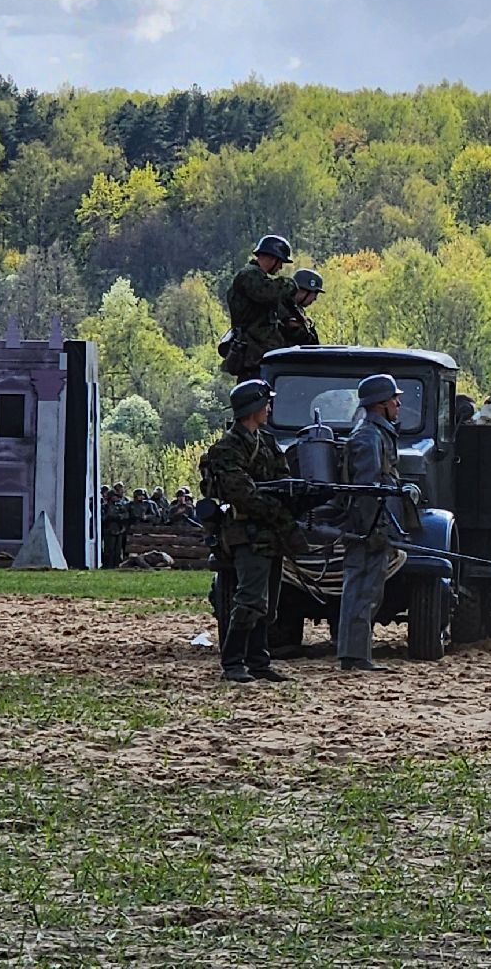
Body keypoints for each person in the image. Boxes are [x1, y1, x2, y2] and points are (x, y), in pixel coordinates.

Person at [200, 379, 300, 683]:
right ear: (253, 408)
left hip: (269, 532)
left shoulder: (267, 442)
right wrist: (277, 511)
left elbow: (284, 480)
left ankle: (258, 660)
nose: (269, 408)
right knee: (249, 599)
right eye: (265, 403)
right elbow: (241, 493)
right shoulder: (227, 448)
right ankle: (233, 661)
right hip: (246, 531)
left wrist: (291, 501)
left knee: (266, 604)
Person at [335, 373, 403, 672]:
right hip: (367, 525)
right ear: (380, 404)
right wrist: (371, 528)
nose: (398, 403)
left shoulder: (376, 433)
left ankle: (357, 653)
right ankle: (354, 655)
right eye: (393, 398)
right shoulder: (368, 436)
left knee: (368, 589)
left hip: (374, 522)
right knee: (362, 588)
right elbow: (366, 488)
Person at [220, 235, 296, 378]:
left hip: (259, 355)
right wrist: (289, 285)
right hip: (253, 356)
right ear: (273, 258)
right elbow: (267, 294)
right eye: (280, 262)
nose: (280, 267)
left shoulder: (257, 277)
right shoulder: (249, 275)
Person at [282, 268, 325, 347]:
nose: (315, 298)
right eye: (315, 294)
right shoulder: (283, 310)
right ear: (305, 291)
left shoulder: (295, 310)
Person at [100, 484, 131, 567]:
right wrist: (110, 516)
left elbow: (126, 515)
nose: (116, 498)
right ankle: (108, 565)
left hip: (119, 529)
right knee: (109, 549)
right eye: (114, 496)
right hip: (109, 530)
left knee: (117, 550)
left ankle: (116, 564)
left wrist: (120, 517)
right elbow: (103, 518)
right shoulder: (104, 507)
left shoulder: (120, 506)